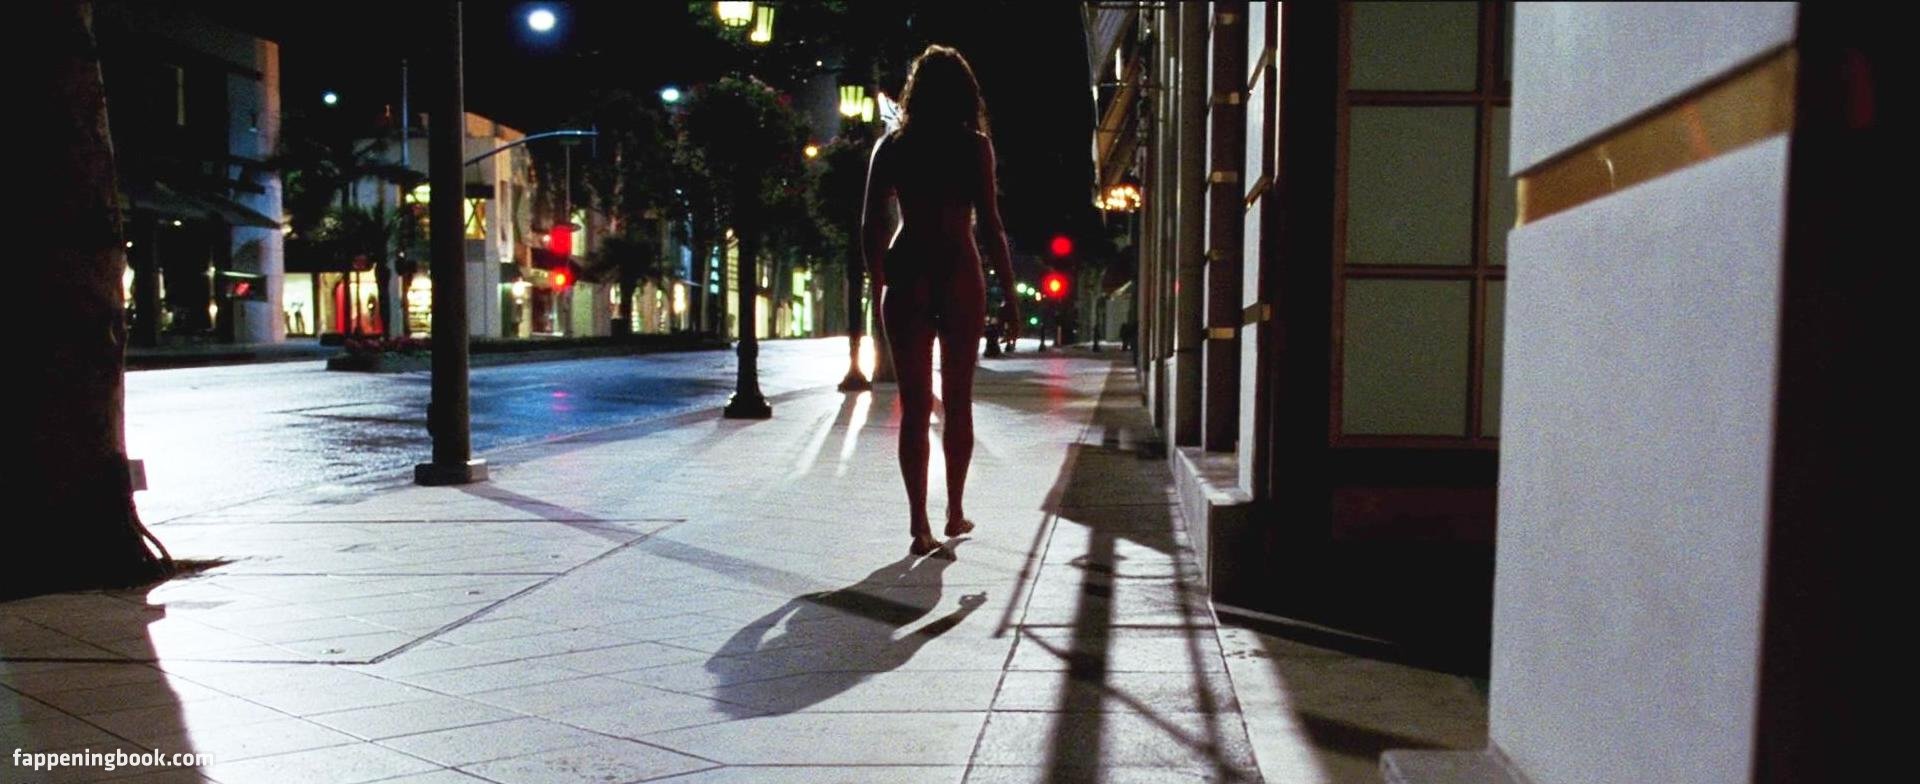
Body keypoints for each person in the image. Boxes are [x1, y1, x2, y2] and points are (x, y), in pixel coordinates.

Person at [862, 44, 1019, 557]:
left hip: (908, 269)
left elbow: (870, 223)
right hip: (958, 271)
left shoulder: (892, 147)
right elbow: (991, 225)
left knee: (913, 406)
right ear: (964, 94)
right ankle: (953, 509)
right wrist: (1009, 293)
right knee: (958, 400)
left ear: (916, 92)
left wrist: (879, 282)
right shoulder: (974, 147)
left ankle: (919, 524)